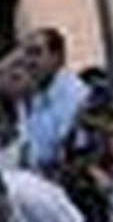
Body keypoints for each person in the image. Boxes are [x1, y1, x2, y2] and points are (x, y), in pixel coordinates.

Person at [20, 28, 88, 173]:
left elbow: (65, 148)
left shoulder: (75, 94)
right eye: (27, 54)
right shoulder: (32, 94)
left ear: (57, 57)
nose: (30, 61)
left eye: (37, 53)